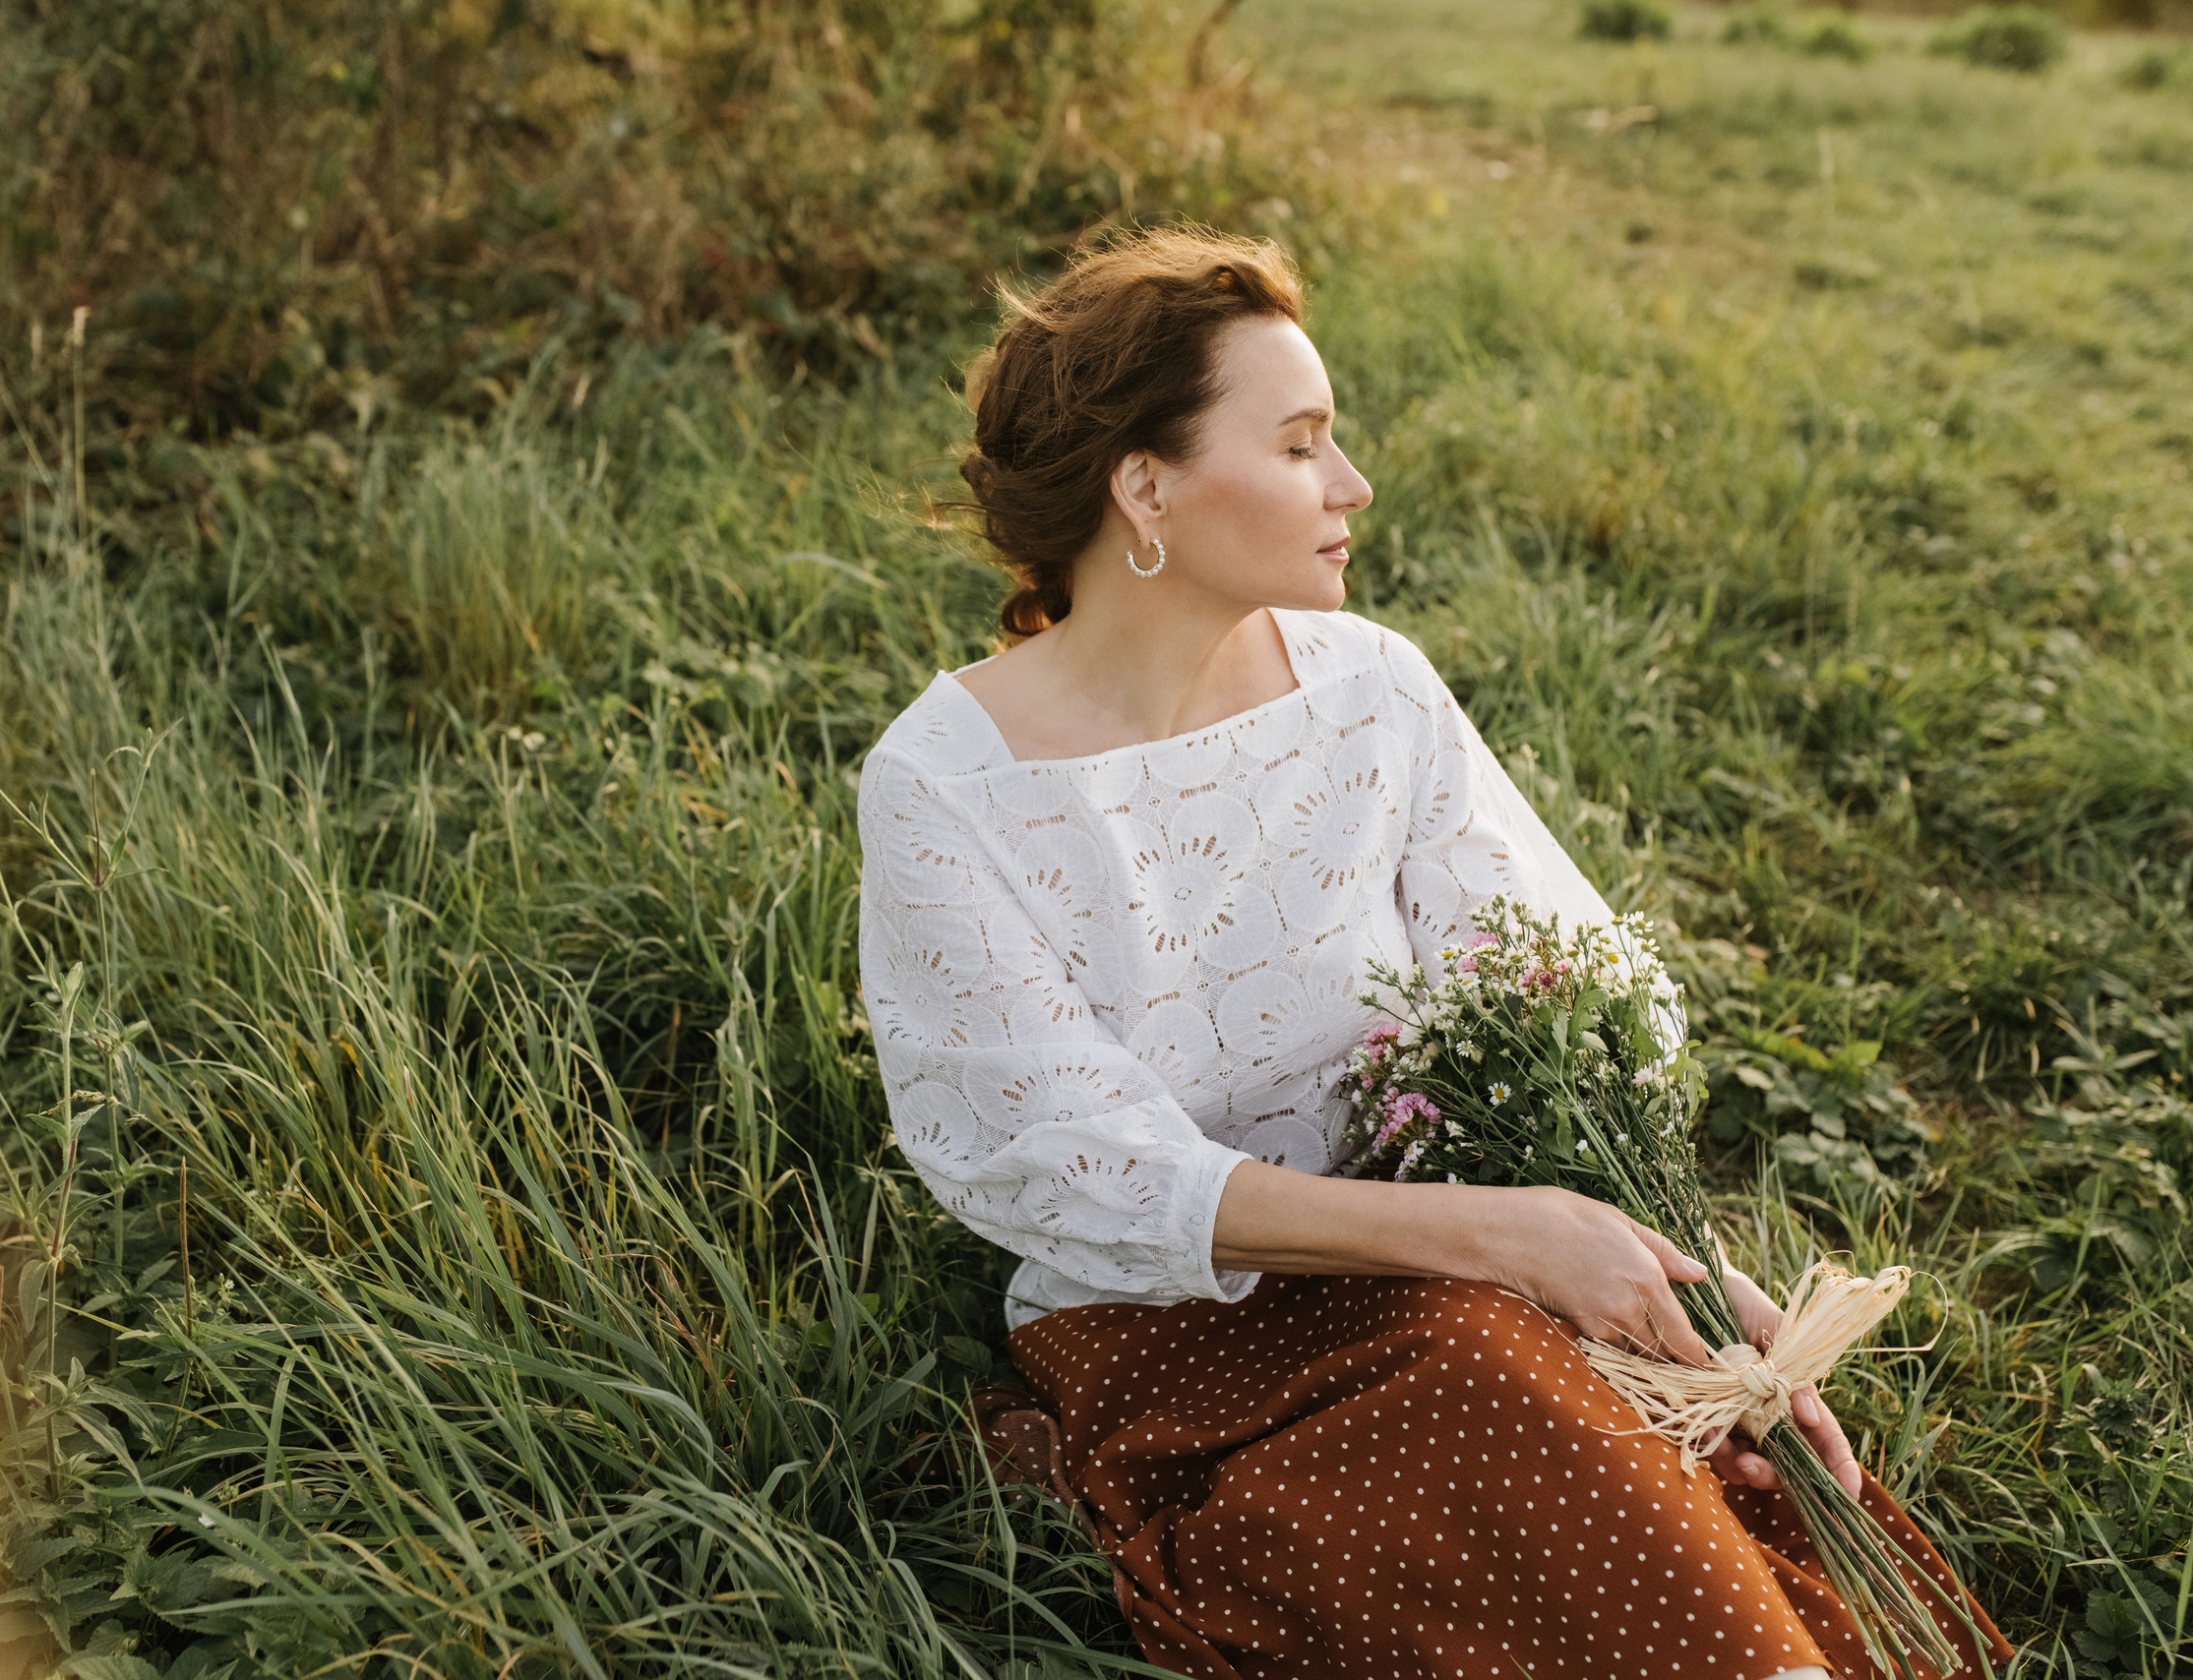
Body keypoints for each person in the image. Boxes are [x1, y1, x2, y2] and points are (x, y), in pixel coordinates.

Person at [854, 226, 2009, 1680]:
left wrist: (1683, 1285)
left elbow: (1557, 990)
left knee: (1699, 1476)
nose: (1353, 487)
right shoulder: (946, 783)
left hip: (1467, 1250)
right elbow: (1067, 1164)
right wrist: (1503, 1237)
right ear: (1143, 487)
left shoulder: (1368, 690)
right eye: (1299, 445)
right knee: (1501, 1391)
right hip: (1185, 1322)